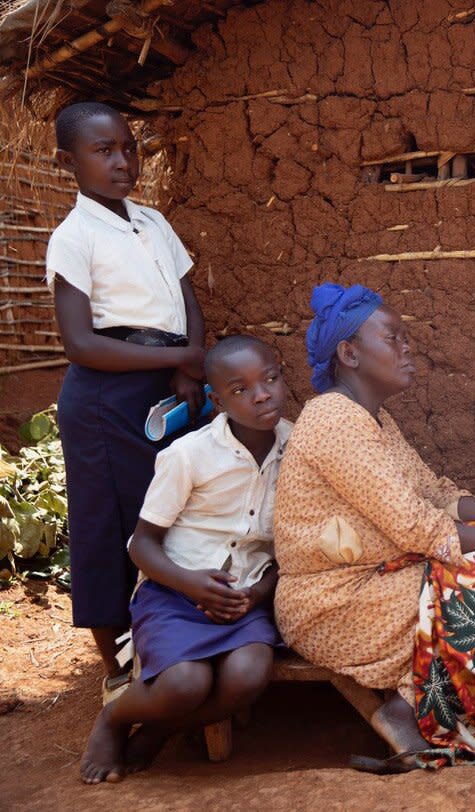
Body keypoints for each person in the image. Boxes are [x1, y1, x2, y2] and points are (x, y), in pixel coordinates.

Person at [272, 283, 475, 771]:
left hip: (381, 581)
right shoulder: (334, 422)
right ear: (348, 353)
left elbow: (433, 494)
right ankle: (420, 712)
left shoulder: (373, 419)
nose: (406, 347)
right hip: (333, 603)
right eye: (391, 337)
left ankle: (412, 709)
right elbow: (418, 525)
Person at [48, 101, 206, 706]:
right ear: (69, 162)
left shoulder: (154, 221)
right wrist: (178, 361)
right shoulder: (74, 237)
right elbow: (81, 343)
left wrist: (189, 361)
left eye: (129, 148)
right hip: (102, 399)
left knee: (170, 513)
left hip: (163, 388)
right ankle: (116, 666)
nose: (122, 161)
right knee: (109, 525)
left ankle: (171, 638)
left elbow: (186, 293)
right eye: (103, 151)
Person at [78, 336, 290, 784]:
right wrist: (191, 583)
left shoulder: (298, 448)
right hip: (175, 593)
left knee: (249, 677)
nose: (262, 394)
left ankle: (159, 730)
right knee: (184, 684)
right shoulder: (187, 456)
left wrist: (256, 593)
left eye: (270, 379)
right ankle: (114, 720)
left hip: (246, 598)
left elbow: (291, 546)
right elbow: (141, 545)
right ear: (215, 400)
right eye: (240, 389)